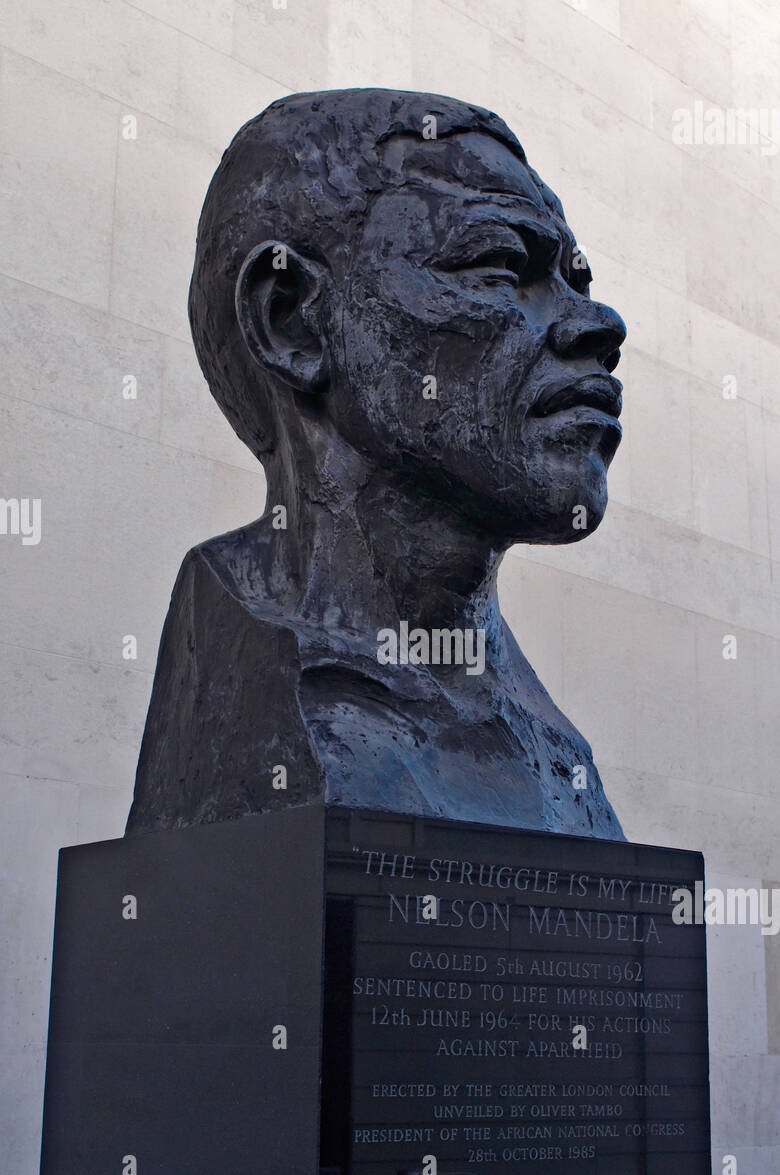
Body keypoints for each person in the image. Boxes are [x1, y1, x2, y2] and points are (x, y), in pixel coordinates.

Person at [127, 89, 626, 838]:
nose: (598, 324)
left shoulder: (552, 746)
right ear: (291, 321)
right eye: (497, 265)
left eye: (576, 281)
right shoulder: (255, 669)